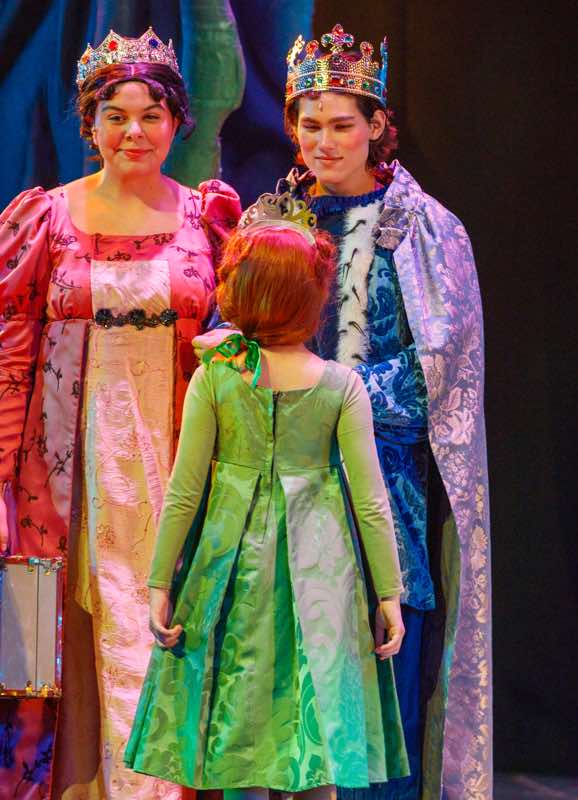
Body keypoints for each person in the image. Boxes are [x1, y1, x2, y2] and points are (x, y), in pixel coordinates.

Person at [0, 28, 240, 800]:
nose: (134, 131)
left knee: (160, 623)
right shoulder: (45, 218)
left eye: (151, 115)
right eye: (115, 115)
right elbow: (10, 351)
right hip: (57, 472)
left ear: (177, 123)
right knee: (42, 644)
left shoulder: (207, 218)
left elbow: (235, 338)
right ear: (89, 124)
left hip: (172, 462)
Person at [124, 194, 410, 796]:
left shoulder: (217, 376)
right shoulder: (340, 385)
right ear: (314, 298)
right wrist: (389, 592)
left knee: (239, 735)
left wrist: (160, 582)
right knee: (318, 730)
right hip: (323, 574)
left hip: (233, 571)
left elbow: (184, 492)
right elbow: (370, 502)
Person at [276, 24, 492, 800]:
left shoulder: (424, 229)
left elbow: (442, 367)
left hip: (381, 489)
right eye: (310, 125)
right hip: (282, 486)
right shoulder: (274, 221)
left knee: (379, 700)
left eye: (342, 125)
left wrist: (332, 395)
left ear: (376, 126)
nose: (324, 142)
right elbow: (240, 329)